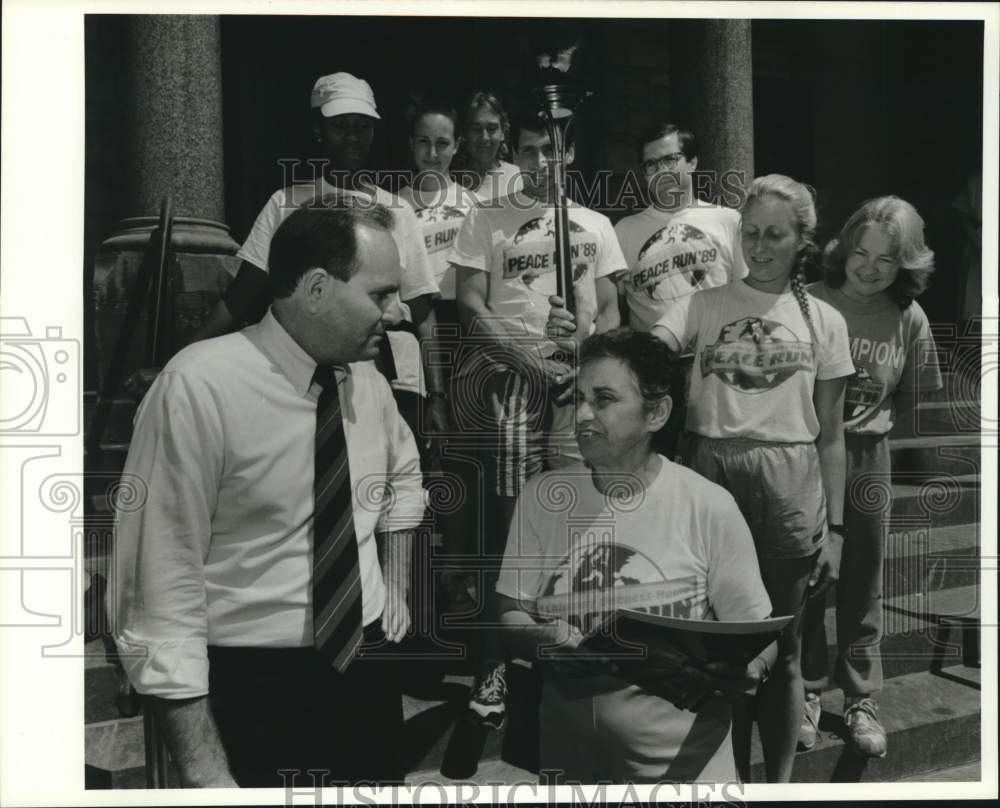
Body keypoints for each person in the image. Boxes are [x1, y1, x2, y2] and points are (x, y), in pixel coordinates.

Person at [108, 203, 425, 787]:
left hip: (366, 671)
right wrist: (207, 777)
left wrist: (396, 578)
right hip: (254, 690)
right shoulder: (198, 388)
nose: (398, 311)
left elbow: (404, 477)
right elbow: (159, 588)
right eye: (381, 294)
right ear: (315, 289)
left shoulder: (370, 382)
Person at [549, 173, 853, 782]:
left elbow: (833, 435)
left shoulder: (825, 320)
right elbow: (646, 355)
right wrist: (582, 343)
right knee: (718, 646)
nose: (760, 246)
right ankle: (727, 775)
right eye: (751, 233)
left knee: (784, 651)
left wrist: (838, 530)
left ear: (802, 242)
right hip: (712, 469)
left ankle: (782, 785)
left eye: (775, 235)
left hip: (790, 478)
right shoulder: (705, 303)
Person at [495, 329, 776, 783]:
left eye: (604, 399)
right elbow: (510, 614)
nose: (582, 415)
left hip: (684, 771)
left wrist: (751, 670)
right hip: (570, 764)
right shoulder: (543, 496)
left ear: (656, 413)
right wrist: (540, 640)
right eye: (579, 397)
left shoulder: (707, 505)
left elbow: (759, 634)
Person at [449, 110, 626, 730]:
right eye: (529, 150)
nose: (541, 163)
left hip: (579, 383)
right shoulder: (486, 216)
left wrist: (583, 342)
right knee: (508, 524)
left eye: (552, 151)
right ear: (512, 152)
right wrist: (522, 353)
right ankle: (493, 662)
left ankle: (567, 648)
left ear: (569, 154)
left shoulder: (596, 224)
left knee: (578, 522)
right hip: (512, 383)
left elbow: (609, 308)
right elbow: (469, 301)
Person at [194, 72, 449, 442]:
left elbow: (423, 314)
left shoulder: (398, 211)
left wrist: (437, 395)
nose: (352, 137)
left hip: (394, 378)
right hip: (307, 374)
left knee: (391, 483)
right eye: (340, 126)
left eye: (362, 127)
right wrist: (181, 357)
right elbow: (239, 298)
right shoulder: (286, 204)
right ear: (318, 129)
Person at [800, 196, 942, 758]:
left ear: (905, 267)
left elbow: (909, 398)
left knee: (863, 580)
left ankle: (860, 697)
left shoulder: (909, 319)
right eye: (861, 252)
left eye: (886, 261)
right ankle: (808, 691)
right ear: (843, 250)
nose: (869, 267)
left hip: (868, 460)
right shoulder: (808, 302)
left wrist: (872, 436)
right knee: (810, 578)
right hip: (806, 456)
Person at [397, 100, 480, 610]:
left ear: (456, 147)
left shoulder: (472, 205)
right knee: (413, 449)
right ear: (411, 145)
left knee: (458, 455)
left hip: (461, 330)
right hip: (411, 331)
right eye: (424, 142)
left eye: (443, 143)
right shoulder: (393, 204)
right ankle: (411, 578)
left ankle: (457, 571)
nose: (433, 153)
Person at [614, 123, 746, 332]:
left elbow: (746, 294)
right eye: (651, 164)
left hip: (714, 352)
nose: (661, 171)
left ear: (692, 162)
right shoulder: (623, 232)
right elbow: (614, 310)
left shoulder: (728, 220)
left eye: (670, 160)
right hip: (651, 359)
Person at [451, 91, 523, 203]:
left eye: (491, 128)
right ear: (465, 133)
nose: (484, 137)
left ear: (503, 132)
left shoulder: (518, 177)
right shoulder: (452, 179)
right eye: (475, 129)